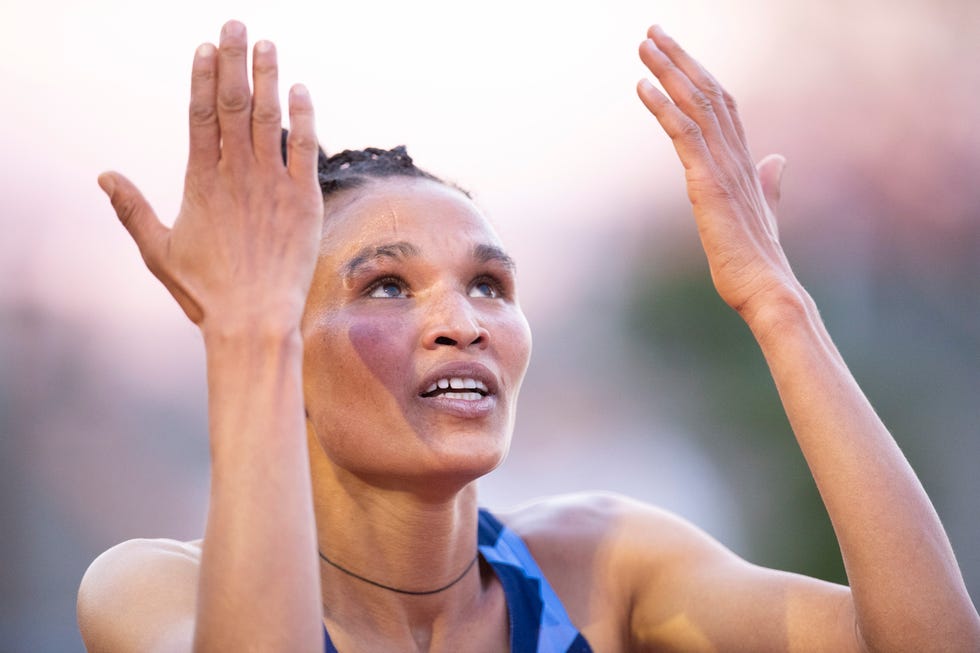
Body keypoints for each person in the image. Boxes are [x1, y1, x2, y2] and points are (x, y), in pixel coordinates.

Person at [76, 19, 980, 653]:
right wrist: (243, 330)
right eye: (387, 284)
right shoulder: (149, 589)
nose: (461, 322)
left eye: (490, 284)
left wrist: (777, 301)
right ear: (279, 332)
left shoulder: (602, 566)